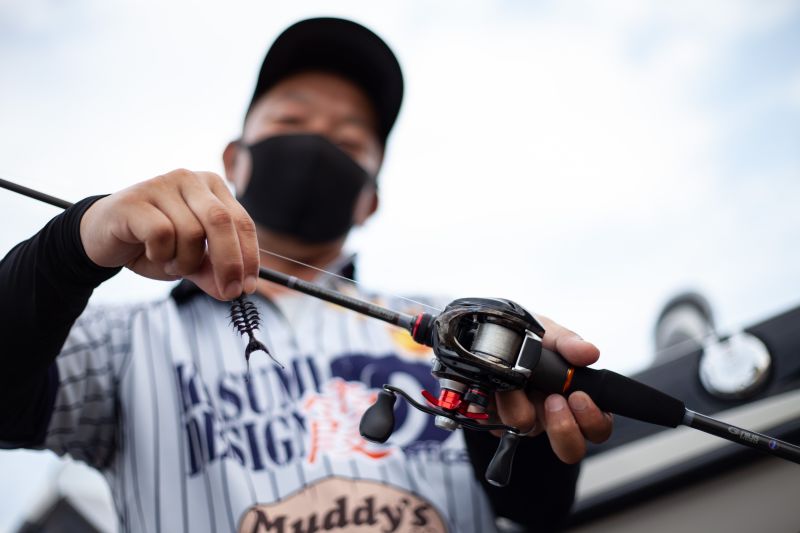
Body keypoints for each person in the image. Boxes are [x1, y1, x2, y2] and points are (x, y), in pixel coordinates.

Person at [0, 17, 612, 532]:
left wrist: (530, 434)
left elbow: (532, 510)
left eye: (349, 140)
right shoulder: (121, 343)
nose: (318, 141)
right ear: (234, 159)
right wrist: (70, 246)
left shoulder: (458, 333)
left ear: (370, 199)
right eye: (291, 122)